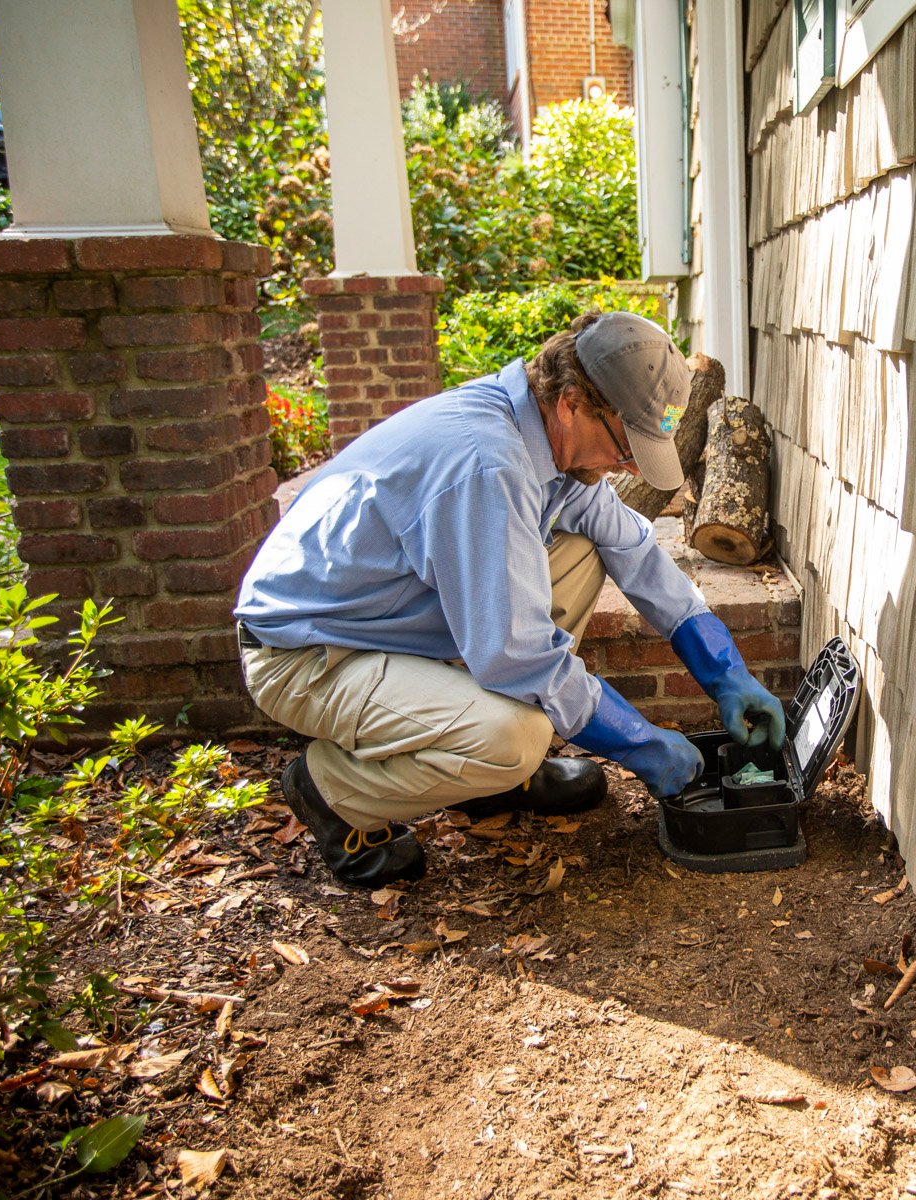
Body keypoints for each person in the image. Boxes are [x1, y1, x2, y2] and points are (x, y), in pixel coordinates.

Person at [234, 311, 786, 889]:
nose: (627, 467)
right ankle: (333, 792)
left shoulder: (543, 438)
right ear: (572, 401)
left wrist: (727, 675)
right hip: (310, 653)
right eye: (626, 445)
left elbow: (635, 549)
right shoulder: (489, 465)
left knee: (585, 546)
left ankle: (490, 780)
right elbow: (518, 655)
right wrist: (641, 744)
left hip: (389, 618)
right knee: (513, 736)